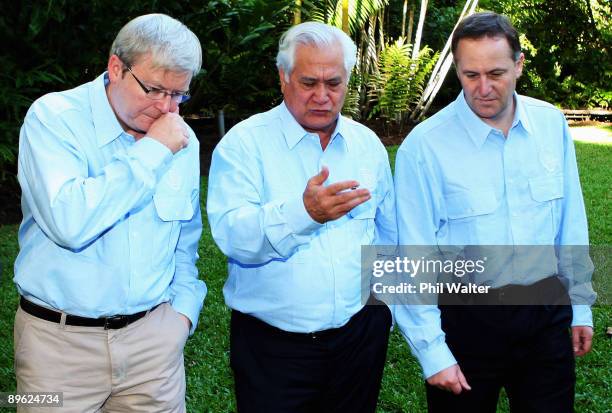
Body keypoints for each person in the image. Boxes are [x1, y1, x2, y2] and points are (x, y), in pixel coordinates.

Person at [393, 12, 595, 413]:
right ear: (457, 70)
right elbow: (411, 257)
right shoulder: (424, 147)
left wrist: (581, 304)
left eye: (496, 73)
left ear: (519, 65)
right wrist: (433, 351)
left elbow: (570, 221)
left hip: (545, 314)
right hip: (465, 322)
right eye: (470, 75)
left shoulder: (551, 124)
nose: (482, 88)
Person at [14, 13, 206, 412]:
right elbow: (70, 223)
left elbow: (185, 241)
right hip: (56, 348)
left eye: (179, 95)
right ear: (116, 67)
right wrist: (152, 151)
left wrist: (182, 316)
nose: (166, 108)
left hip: (154, 347)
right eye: (154, 89)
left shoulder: (182, 139)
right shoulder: (53, 118)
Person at [207, 21, 397, 413]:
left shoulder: (368, 146)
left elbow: (389, 234)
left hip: (359, 339)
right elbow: (233, 237)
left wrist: (385, 313)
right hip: (273, 349)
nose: (322, 97)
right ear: (283, 78)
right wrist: (304, 213)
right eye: (309, 82)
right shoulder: (244, 145)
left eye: (334, 83)